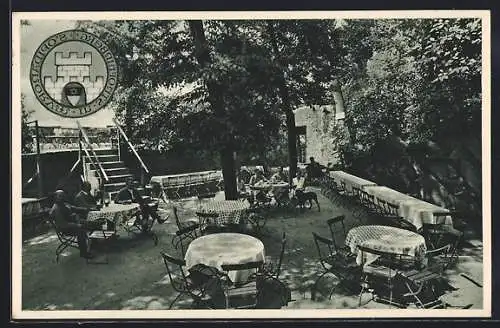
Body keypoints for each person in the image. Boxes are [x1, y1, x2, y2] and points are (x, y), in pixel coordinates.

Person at [49, 190, 94, 259]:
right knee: (81, 231)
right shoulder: (57, 208)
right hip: (66, 229)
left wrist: (87, 209)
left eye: (63, 195)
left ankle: (94, 244)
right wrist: (77, 225)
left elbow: (74, 208)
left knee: (90, 222)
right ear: (55, 197)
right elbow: (63, 224)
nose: (62, 197)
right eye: (60, 196)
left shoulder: (64, 204)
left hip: (73, 223)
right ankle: (84, 253)